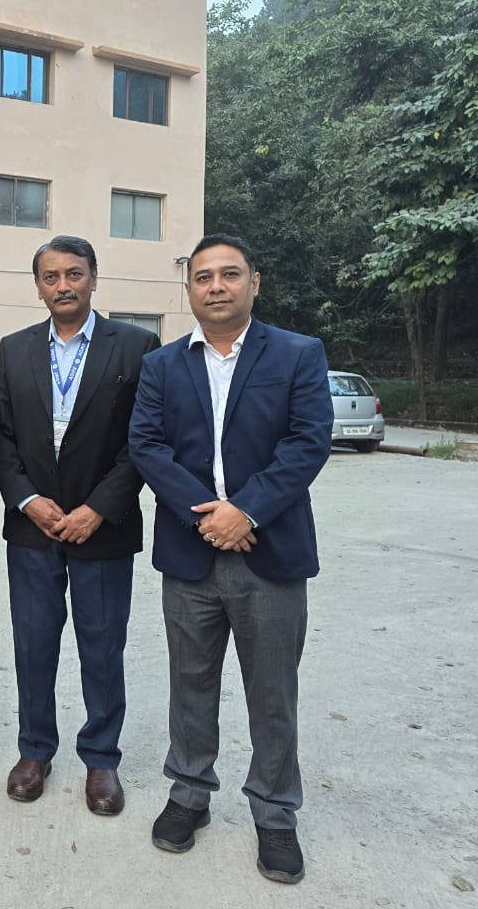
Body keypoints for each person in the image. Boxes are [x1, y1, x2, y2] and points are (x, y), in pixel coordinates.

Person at [129, 233, 333, 884]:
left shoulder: (298, 353)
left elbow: (308, 441)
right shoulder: (162, 364)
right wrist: (209, 517)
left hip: (271, 552)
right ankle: (189, 794)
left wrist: (246, 511)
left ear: (254, 282)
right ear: (189, 288)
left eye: (229, 274)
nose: (216, 286)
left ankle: (274, 812)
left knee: (272, 691)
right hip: (189, 556)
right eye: (203, 276)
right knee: (190, 682)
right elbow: (147, 445)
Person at [0, 235, 161, 816]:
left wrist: (99, 507)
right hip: (33, 528)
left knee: (102, 646)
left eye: (74, 274)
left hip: (103, 527)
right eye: (51, 277)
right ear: (38, 286)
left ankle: (101, 757)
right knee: (33, 643)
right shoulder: (14, 349)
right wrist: (26, 499)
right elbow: (2, 438)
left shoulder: (136, 346)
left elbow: (144, 439)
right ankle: (34, 750)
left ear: (93, 278)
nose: (62, 285)